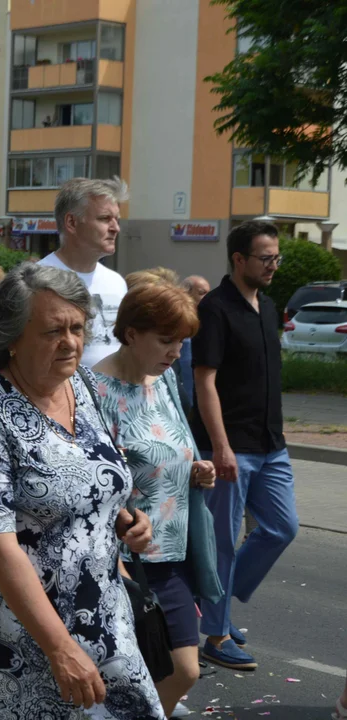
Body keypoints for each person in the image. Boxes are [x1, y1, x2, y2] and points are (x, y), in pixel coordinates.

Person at [0, 262, 161, 720]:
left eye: (77, 327)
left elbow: (87, 482)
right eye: (54, 330)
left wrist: (122, 517)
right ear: (12, 336)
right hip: (16, 636)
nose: (71, 342)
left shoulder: (85, 387)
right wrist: (59, 648)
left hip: (103, 619)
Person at [93, 281, 218, 717]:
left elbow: (173, 447)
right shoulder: (92, 391)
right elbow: (95, 482)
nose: (176, 353)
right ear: (131, 333)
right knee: (161, 672)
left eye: (181, 342)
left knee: (173, 670)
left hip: (176, 549)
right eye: (167, 340)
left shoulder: (161, 382)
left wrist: (196, 470)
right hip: (129, 560)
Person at [191, 220, 298, 671]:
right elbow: (204, 380)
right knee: (221, 542)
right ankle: (215, 634)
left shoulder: (268, 306)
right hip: (231, 445)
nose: (274, 265)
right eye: (266, 258)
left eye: (276, 257)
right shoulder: (215, 309)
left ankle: (218, 601)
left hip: (272, 444)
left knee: (281, 527)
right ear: (239, 260)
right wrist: (221, 446)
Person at [38, 176, 130, 368]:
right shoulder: (35, 279)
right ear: (71, 222)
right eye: (105, 219)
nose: (116, 228)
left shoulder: (116, 282)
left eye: (117, 220)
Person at [177, 275, 211, 408]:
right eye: (202, 293)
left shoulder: (209, 324)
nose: (208, 298)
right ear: (186, 294)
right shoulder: (179, 326)